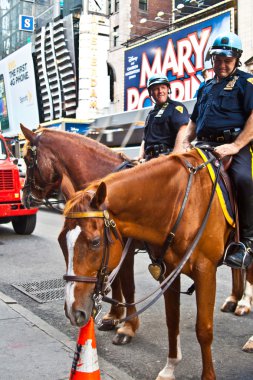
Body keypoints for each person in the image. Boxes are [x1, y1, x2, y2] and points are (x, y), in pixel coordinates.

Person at [182, 32, 253, 269]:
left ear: (237, 59)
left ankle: (247, 243)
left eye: (227, 60)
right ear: (212, 59)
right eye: (218, 59)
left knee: (244, 179)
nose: (222, 64)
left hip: (235, 146)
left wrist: (235, 146)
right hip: (204, 145)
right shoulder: (205, 87)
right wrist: (184, 143)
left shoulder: (246, 83)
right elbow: (193, 121)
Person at [138, 73, 189, 161]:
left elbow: (183, 129)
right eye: (156, 89)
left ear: (168, 89)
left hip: (166, 159)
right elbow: (145, 139)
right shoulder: (151, 114)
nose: (160, 91)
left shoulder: (176, 108)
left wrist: (175, 154)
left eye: (163, 87)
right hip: (149, 159)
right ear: (151, 92)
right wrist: (140, 156)